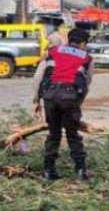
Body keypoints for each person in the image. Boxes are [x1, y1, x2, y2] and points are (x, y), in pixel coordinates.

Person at [31, 28, 94, 180]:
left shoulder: (52, 51)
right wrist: (77, 103)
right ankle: (80, 170)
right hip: (70, 97)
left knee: (54, 134)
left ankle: (48, 171)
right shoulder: (87, 58)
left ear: (69, 40)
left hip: (50, 96)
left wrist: (36, 101)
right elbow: (86, 84)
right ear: (83, 43)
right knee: (72, 134)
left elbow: (38, 77)